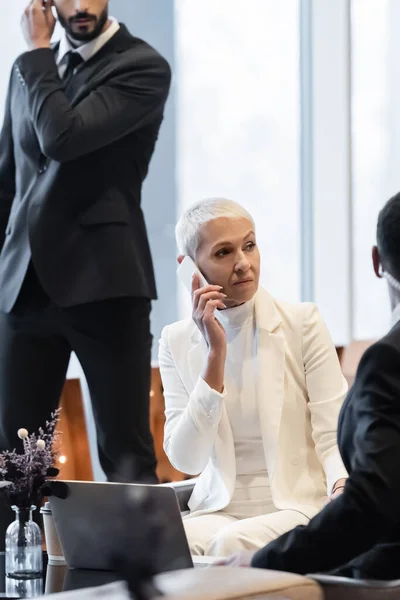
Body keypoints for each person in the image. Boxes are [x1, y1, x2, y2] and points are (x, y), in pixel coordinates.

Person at [0, 0, 171, 484]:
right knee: (16, 462)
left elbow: (63, 138)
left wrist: (35, 51)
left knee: (126, 455)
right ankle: (20, 560)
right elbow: (9, 180)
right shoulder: (30, 70)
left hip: (105, 285)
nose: (80, 7)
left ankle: (139, 562)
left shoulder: (141, 66)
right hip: (24, 288)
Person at [222, 192, 400, 579]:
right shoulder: (182, 341)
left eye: (250, 245)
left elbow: (372, 503)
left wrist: (265, 560)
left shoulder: (388, 361)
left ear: (376, 261)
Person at [158, 198, 348, 557]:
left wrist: (341, 487)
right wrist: (214, 354)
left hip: (296, 503)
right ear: (190, 269)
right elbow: (187, 460)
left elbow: (333, 429)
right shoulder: (176, 340)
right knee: (159, 541)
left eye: (249, 245)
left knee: (230, 543)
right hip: (220, 507)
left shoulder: (302, 322)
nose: (243, 263)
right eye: (223, 252)